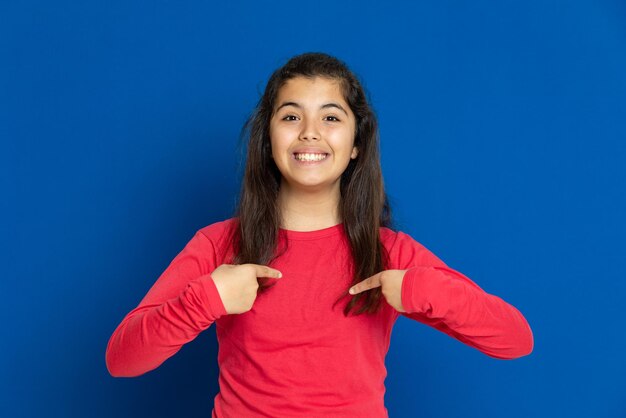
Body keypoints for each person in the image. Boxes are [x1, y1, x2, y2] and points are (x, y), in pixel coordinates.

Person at [105, 52, 534, 417]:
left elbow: (515, 340)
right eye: (291, 116)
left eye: (331, 117)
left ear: (355, 145)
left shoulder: (389, 252)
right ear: (268, 138)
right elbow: (122, 359)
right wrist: (206, 298)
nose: (310, 131)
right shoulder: (219, 244)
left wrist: (424, 287)